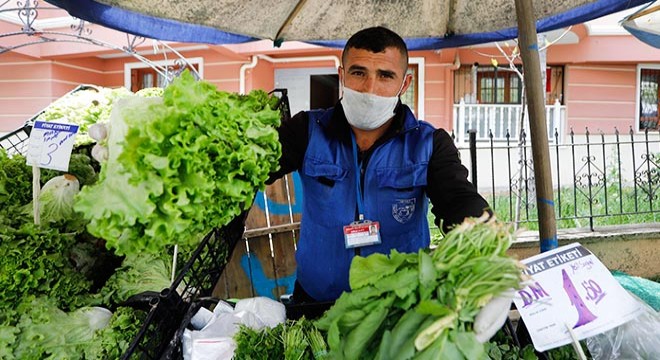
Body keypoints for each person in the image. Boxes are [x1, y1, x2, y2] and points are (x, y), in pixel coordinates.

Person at [267, 26, 491, 304]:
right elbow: (256, 166)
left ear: (404, 85)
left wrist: (486, 244)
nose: (370, 88)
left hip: (397, 305)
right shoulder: (307, 130)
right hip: (317, 299)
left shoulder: (430, 143)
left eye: (385, 76)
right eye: (359, 73)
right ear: (342, 76)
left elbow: (458, 199)